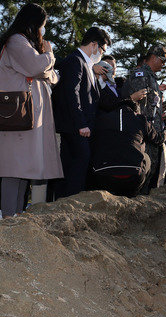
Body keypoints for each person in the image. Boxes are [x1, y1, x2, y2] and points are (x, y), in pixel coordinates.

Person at [0, 3, 62, 218]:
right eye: (42, 25)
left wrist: (44, 65)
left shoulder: (25, 43)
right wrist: (49, 55)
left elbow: (52, 76)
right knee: (14, 168)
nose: (42, 31)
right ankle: (9, 219)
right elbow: (35, 67)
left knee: (24, 169)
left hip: (27, 115)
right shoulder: (16, 41)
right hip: (16, 115)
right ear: (33, 23)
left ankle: (16, 217)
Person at [53, 26, 111, 199]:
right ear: (94, 45)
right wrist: (81, 124)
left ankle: (67, 201)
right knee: (77, 165)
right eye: (102, 49)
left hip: (81, 127)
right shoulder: (75, 60)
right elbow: (72, 93)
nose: (101, 54)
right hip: (75, 127)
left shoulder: (87, 64)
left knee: (75, 165)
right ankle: (68, 202)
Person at [90, 100, 166, 197]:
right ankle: (136, 195)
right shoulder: (141, 119)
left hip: (104, 173)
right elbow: (159, 139)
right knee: (146, 158)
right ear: (136, 110)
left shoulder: (102, 119)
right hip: (133, 174)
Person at [122, 44, 166, 191]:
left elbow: (150, 106)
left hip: (153, 135)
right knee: (141, 176)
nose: (163, 65)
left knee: (150, 176)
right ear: (154, 58)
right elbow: (138, 108)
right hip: (144, 136)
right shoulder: (141, 74)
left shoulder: (152, 79)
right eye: (162, 61)